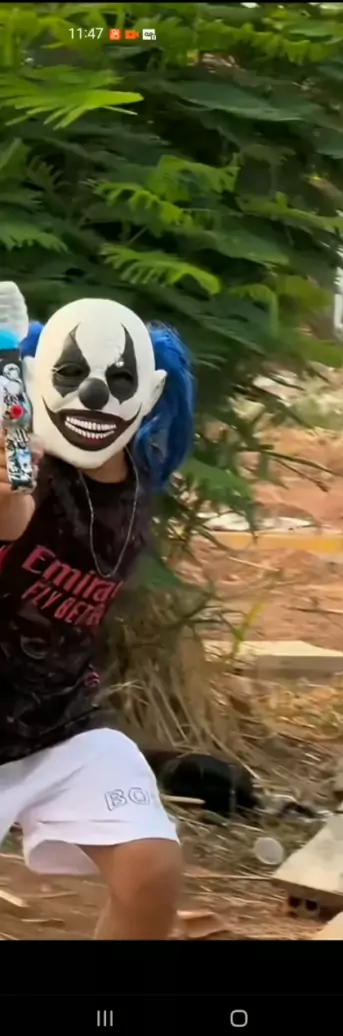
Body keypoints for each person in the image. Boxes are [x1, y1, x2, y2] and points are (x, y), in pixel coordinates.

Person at [0, 294, 195, 939]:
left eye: (119, 379)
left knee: (150, 869)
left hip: (59, 725)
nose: (93, 394)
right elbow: (13, 511)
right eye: (70, 373)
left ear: (151, 392)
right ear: (34, 378)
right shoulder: (22, 460)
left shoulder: (138, 475)